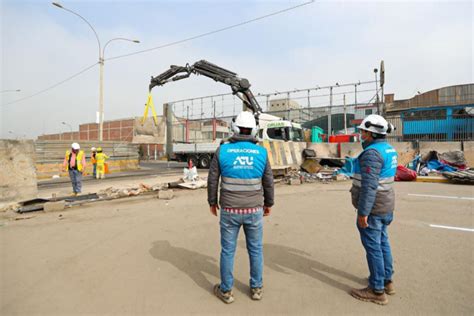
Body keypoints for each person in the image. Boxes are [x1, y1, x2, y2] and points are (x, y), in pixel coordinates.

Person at [207, 111, 274, 304]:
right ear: (254, 129)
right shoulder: (261, 152)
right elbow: (268, 181)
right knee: (255, 249)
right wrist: (268, 203)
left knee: (228, 250)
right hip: (254, 210)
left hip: (229, 211)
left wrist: (212, 202)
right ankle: (256, 289)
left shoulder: (223, 150)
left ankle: (226, 291)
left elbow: (213, 179)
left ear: (234, 128)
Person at [350, 114, 398, 305]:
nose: (361, 134)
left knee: (373, 248)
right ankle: (387, 280)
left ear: (371, 133)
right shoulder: (388, 149)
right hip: (386, 206)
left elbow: (370, 187)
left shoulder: (372, 154)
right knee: (383, 242)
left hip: (374, 209)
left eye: (363, 131)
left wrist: (363, 214)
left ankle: (376, 290)